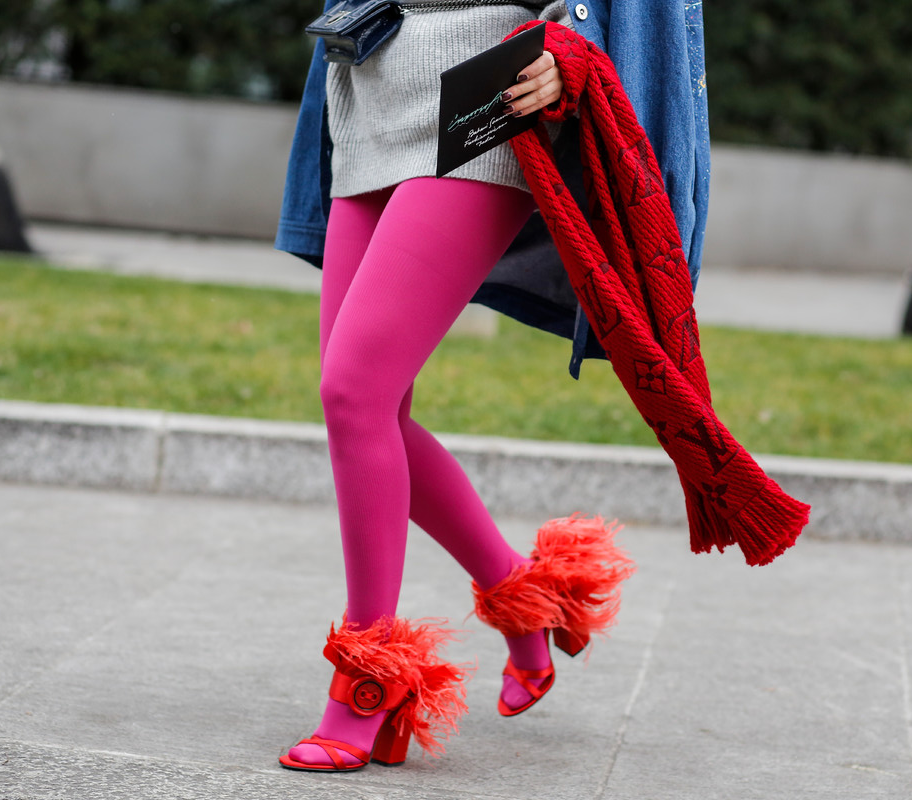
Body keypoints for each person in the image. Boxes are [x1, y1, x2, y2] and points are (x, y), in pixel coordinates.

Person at [273, 0, 710, 773]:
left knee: (353, 393)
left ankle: (366, 679)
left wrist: (568, 45)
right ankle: (522, 597)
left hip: (485, 95)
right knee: (369, 409)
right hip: (368, 85)